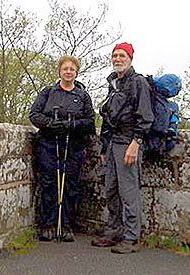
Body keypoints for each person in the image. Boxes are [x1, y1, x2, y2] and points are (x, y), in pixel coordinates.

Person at [91, 42, 154, 253]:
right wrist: (103, 148)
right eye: (115, 55)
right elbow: (109, 118)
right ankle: (115, 231)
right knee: (111, 191)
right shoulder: (114, 84)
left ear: (130, 59)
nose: (117, 59)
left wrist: (136, 144)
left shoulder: (139, 83)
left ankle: (131, 237)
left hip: (128, 143)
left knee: (128, 192)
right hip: (112, 144)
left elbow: (145, 117)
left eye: (122, 56)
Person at [30, 55, 95, 242]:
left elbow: (90, 121)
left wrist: (72, 126)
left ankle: (66, 225)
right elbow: (34, 114)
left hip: (73, 146)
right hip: (49, 145)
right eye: (65, 69)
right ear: (59, 71)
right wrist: (50, 123)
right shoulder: (48, 92)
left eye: (72, 69)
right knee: (50, 183)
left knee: (70, 185)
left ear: (76, 72)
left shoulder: (82, 96)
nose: (68, 72)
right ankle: (48, 224)